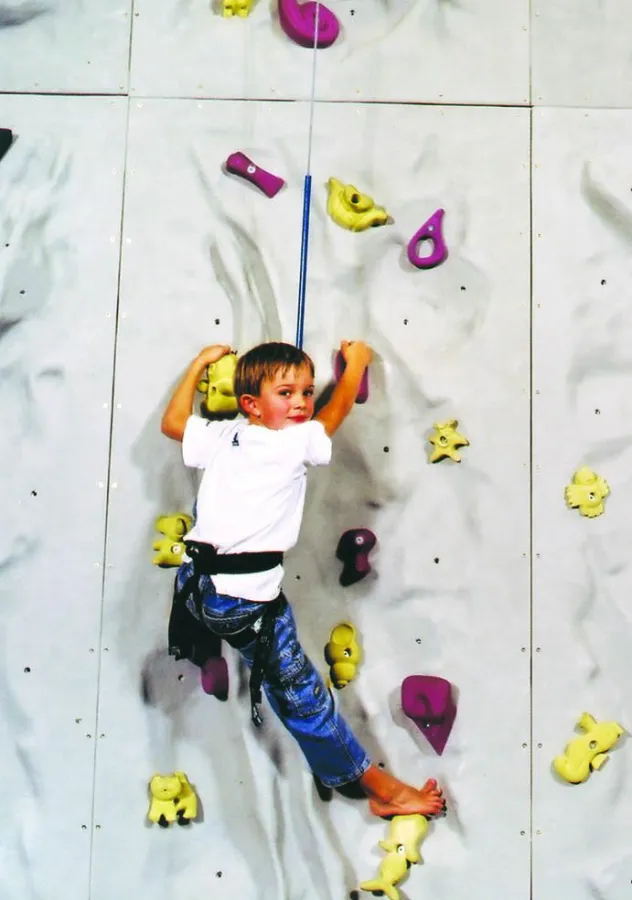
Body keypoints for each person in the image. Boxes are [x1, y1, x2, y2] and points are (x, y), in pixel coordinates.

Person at [161, 339, 445, 819]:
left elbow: (173, 423)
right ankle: (383, 791)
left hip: (198, 585)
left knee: (275, 671)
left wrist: (198, 365)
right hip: (245, 605)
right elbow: (335, 414)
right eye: (286, 393)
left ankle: (203, 645)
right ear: (251, 404)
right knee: (305, 701)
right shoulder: (290, 443)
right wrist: (355, 365)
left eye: (307, 392)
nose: (301, 403)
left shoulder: (225, 436)